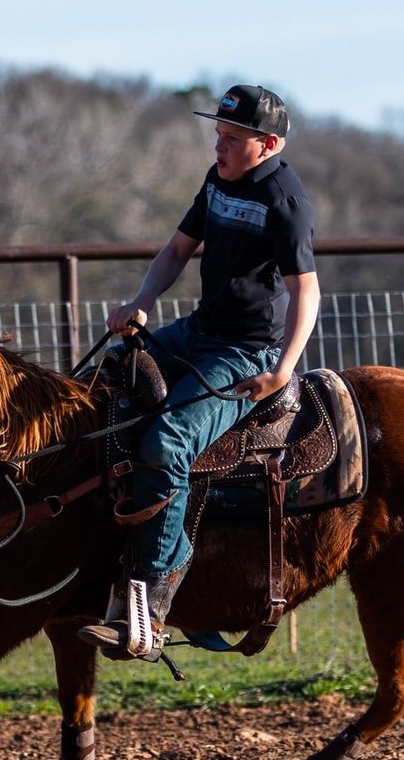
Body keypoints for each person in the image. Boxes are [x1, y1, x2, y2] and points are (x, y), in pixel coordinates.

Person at [77, 84, 321, 660]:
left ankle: (152, 608)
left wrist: (283, 369)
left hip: (245, 353)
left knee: (168, 441)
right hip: (198, 331)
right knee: (107, 381)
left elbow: (305, 289)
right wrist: (141, 302)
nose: (220, 146)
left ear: (268, 144)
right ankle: (101, 555)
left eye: (233, 139)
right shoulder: (216, 182)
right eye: (218, 135)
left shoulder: (286, 202)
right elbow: (177, 251)